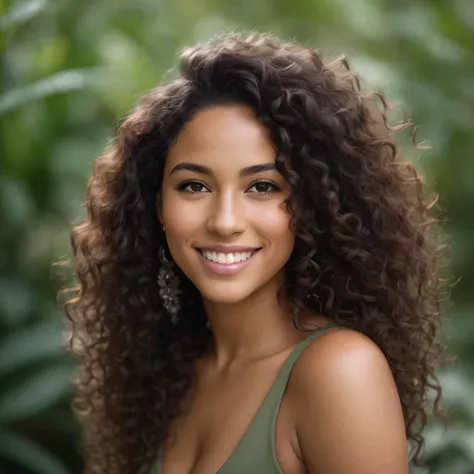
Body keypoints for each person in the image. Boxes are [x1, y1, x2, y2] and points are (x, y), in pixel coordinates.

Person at [61, 32, 449, 474]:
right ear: (156, 204)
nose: (225, 221)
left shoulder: (338, 372)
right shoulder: (172, 375)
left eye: (263, 186)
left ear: (312, 204)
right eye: (195, 185)